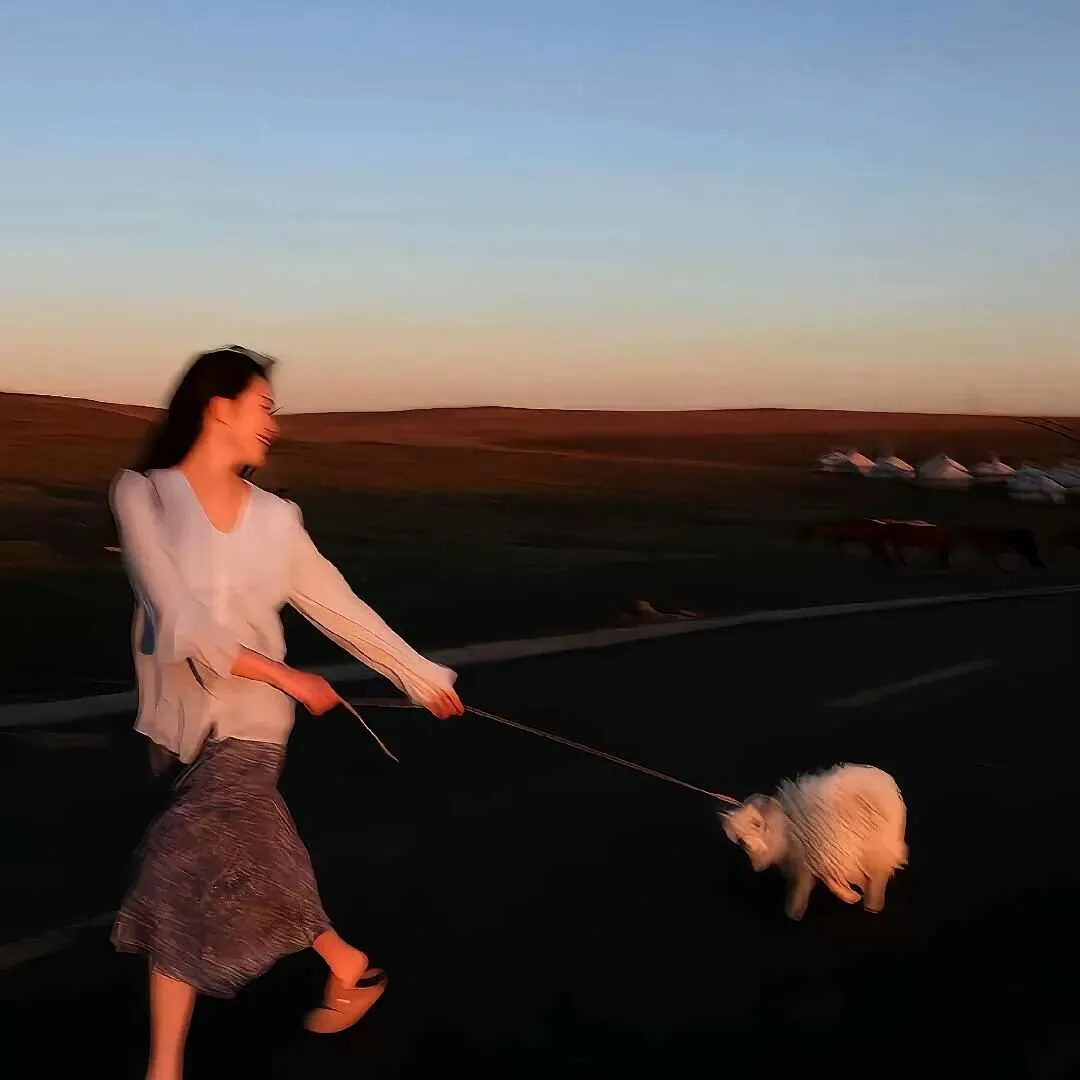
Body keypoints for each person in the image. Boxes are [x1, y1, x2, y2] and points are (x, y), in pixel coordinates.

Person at [109, 346, 464, 1080]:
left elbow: (339, 606)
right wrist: (290, 676)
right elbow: (176, 616)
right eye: (264, 406)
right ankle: (349, 965)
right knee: (243, 861)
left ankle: (164, 1069)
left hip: (253, 724)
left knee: (177, 868)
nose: (274, 422)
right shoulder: (143, 495)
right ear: (220, 407)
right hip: (178, 725)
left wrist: (419, 676)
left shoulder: (278, 519)